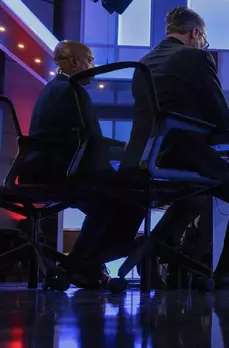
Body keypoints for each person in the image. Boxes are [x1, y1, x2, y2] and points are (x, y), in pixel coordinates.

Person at [124, 6, 229, 290]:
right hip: (182, 154)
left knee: (194, 197)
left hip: (143, 157)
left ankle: (156, 251)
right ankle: (225, 271)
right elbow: (223, 119)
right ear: (195, 33)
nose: (203, 44)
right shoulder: (196, 57)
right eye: (204, 39)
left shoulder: (144, 61)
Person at [22, 40, 143, 287]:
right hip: (60, 173)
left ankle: (87, 265)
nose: (93, 66)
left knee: (112, 199)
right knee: (130, 198)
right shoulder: (72, 90)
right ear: (75, 62)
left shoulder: (55, 88)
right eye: (90, 60)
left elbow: (83, 139)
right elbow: (90, 143)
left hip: (43, 169)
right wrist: (125, 157)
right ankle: (80, 264)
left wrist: (119, 151)